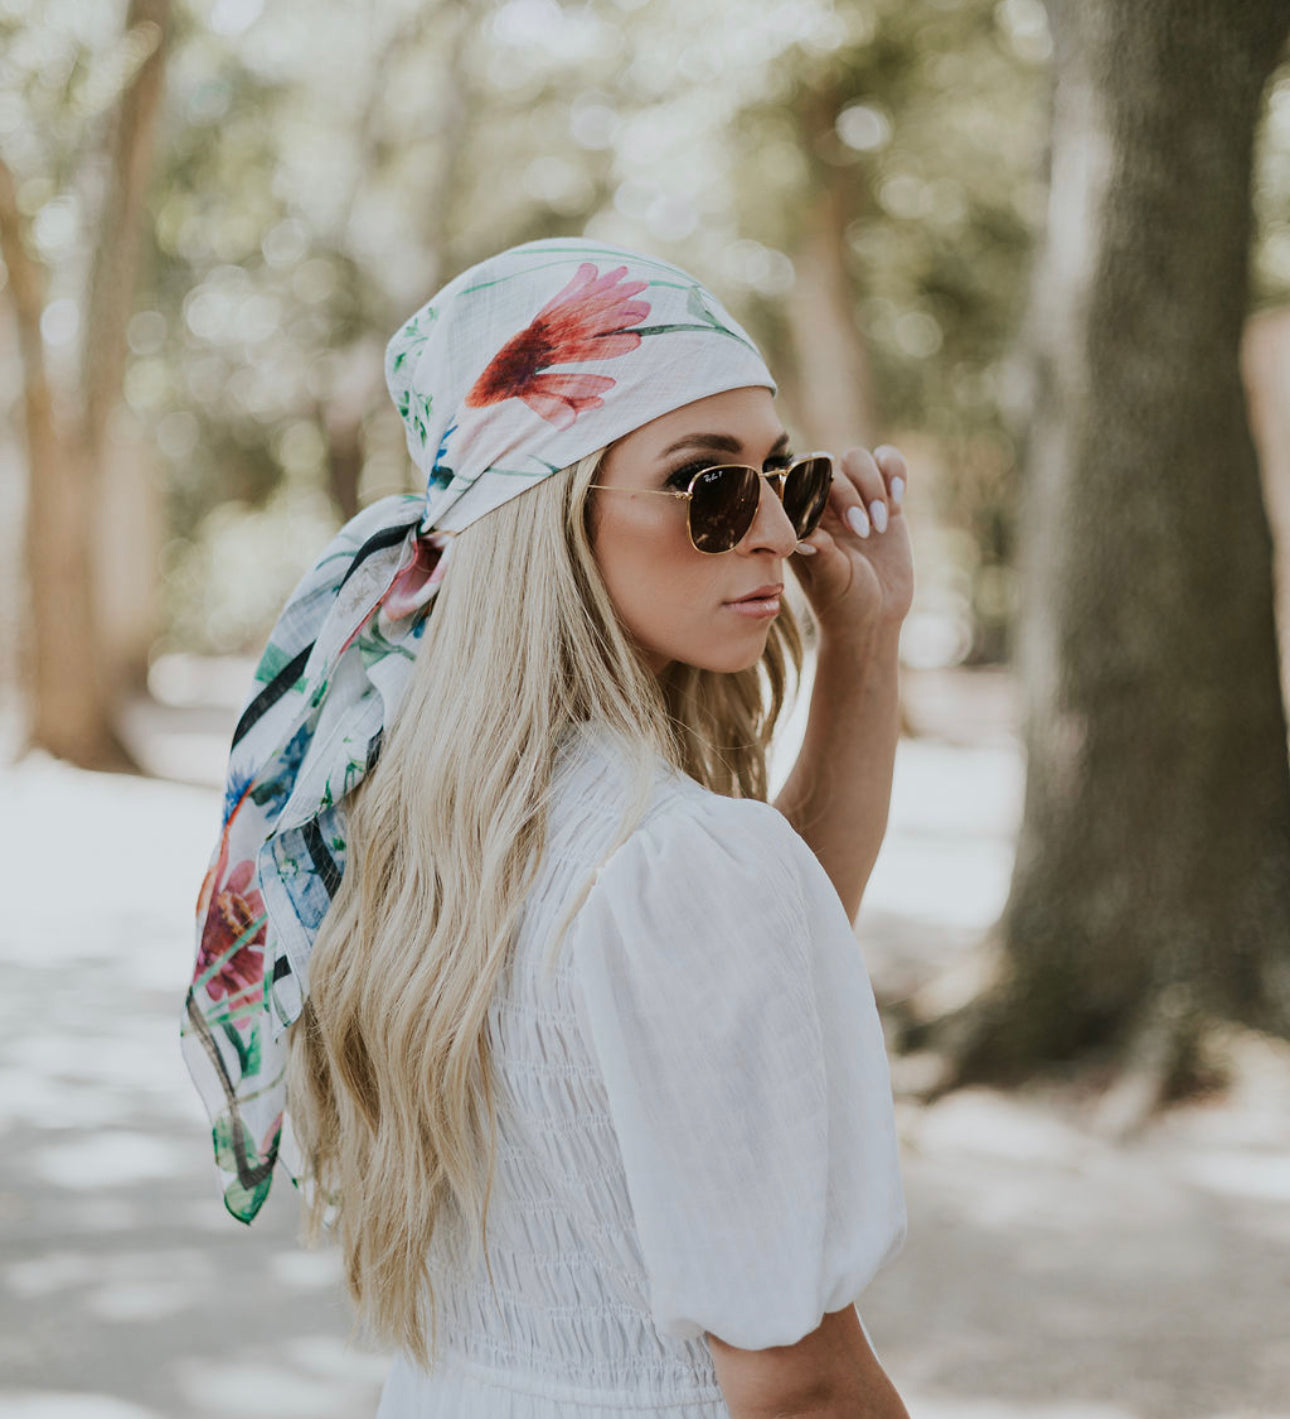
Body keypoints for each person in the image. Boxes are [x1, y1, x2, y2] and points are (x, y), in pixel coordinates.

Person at [180, 238, 915, 1419]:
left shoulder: (396, 815)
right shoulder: (673, 863)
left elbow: (751, 992)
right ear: (555, 518)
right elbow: (803, 1388)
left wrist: (864, 650)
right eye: (709, 485)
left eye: (789, 477)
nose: (778, 530)